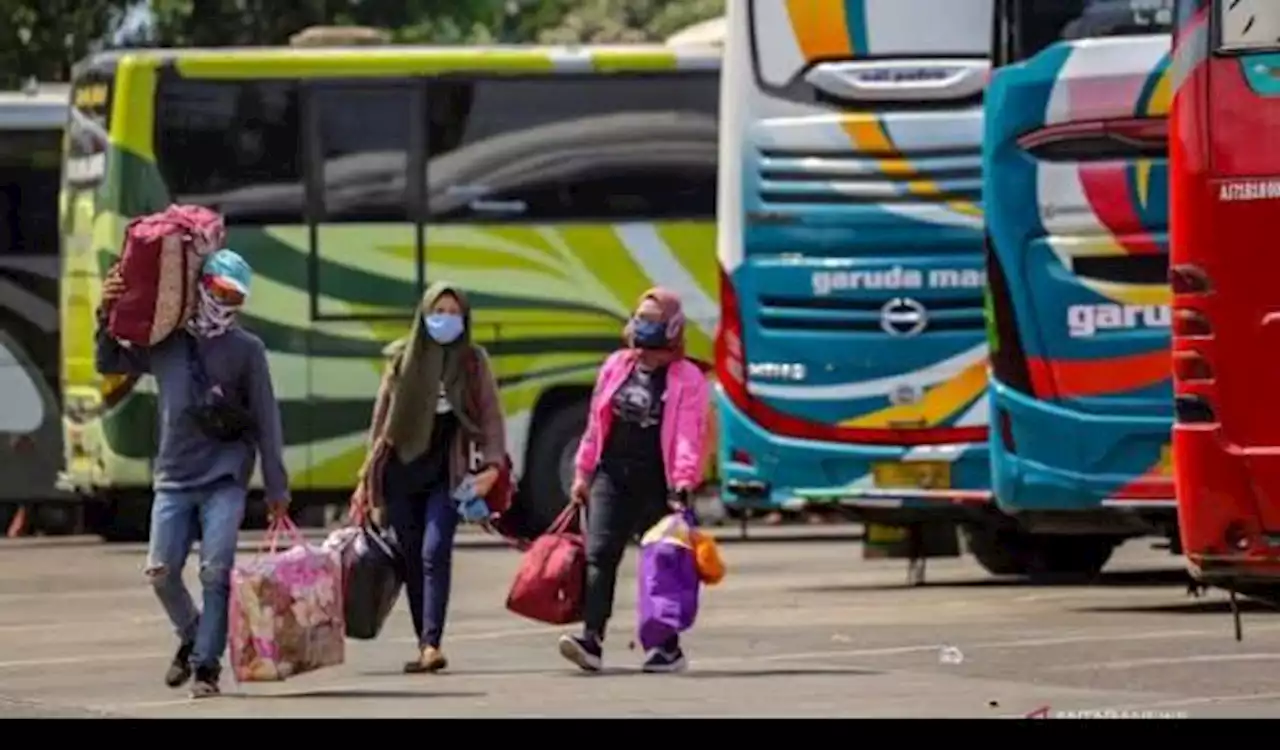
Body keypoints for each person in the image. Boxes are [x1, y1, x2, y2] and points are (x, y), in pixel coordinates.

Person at [95, 248, 289, 699]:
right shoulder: (167, 341)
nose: (226, 303)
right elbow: (111, 361)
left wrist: (277, 484)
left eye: (236, 298)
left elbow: (266, 417)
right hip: (173, 477)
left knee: (215, 571)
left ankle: (206, 666)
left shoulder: (247, 350)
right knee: (161, 572)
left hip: (225, 477)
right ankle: (193, 632)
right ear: (203, 285)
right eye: (220, 291)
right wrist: (106, 310)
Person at [355, 281, 507, 674]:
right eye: (438, 311)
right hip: (401, 474)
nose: (446, 320)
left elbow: (491, 417)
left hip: (447, 472)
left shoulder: (473, 362)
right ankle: (425, 644)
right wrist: (366, 482)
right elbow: (381, 423)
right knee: (409, 557)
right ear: (423, 315)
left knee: (433, 550)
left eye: (454, 313)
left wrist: (492, 466)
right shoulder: (402, 359)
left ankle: (432, 642)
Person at [558, 287, 711, 674]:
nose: (643, 326)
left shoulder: (687, 377)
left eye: (653, 320)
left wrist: (683, 481)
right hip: (613, 473)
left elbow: (688, 434)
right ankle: (591, 640)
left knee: (661, 561)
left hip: (658, 479)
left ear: (673, 327)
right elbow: (596, 423)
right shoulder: (616, 365)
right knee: (600, 553)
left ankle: (665, 648)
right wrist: (583, 472)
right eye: (639, 317)